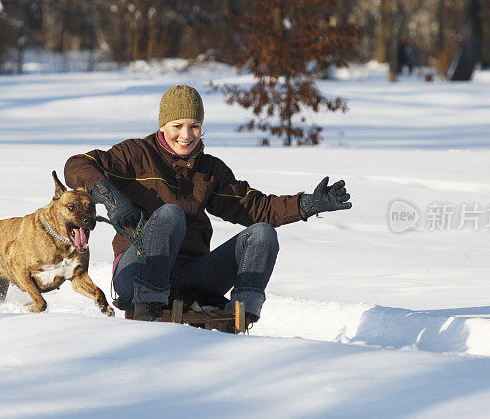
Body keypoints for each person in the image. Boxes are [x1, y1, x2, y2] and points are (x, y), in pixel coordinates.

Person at [64, 85, 351, 327]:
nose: (186, 136)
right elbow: (77, 164)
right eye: (177, 126)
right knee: (170, 215)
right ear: (162, 125)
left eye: (195, 126)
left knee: (262, 233)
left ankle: (240, 316)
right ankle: (149, 307)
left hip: (192, 276)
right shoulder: (135, 154)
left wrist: (307, 204)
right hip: (137, 271)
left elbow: (256, 208)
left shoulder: (210, 170)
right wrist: (111, 198)